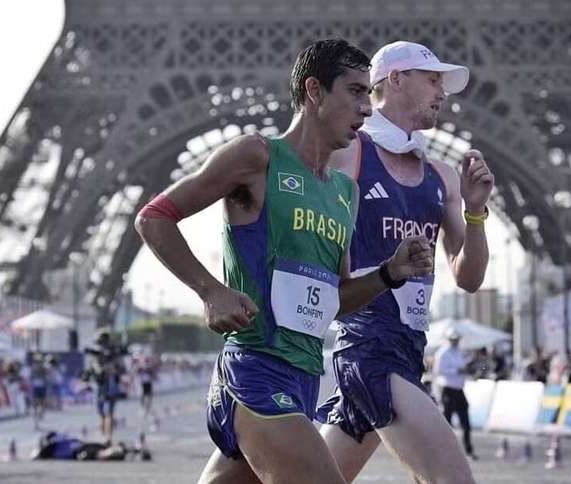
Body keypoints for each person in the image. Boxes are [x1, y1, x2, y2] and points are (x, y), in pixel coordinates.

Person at [135, 38, 435, 484]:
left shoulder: (344, 193)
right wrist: (210, 289)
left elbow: (335, 298)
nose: (367, 109)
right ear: (315, 90)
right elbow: (154, 217)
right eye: (355, 92)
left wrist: (390, 274)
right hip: (255, 370)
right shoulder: (257, 157)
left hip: (304, 379)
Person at [316, 41, 492, 483]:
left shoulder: (442, 177)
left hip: (410, 349)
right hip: (368, 348)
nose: (442, 92)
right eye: (433, 80)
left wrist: (475, 214)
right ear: (394, 80)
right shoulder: (348, 155)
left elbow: (469, 278)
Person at [434, 330, 476, 460]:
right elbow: (438, 371)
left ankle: (468, 450)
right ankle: (444, 452)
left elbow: (462, 369)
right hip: (448, 390)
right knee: (447, 423)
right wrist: (456, 370)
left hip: (459, 390)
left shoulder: (459, 352)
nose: (455, 341)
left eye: (457, 339)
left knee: (466, 423)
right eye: (453, 339)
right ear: (448, 339)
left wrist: (467, 369)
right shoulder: (442, 353)